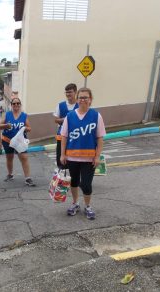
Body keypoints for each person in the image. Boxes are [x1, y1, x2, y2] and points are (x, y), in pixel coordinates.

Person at [60, 87, 106, 220]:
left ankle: (88, 206)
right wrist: (62, 155)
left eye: (85, 97)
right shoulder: (70, 116)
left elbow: (100, 138)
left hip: (89, 159)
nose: (83, 100)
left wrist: (97, 156)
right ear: (77, 99)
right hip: (72, 157)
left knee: (86, 184)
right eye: (80, 97)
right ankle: (75, 204)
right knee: (74, 182)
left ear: (90, 100)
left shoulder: (96, 116)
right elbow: (64, 136)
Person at [0, 97, 36, 186]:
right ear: (11, 105)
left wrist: (25, 129)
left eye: (18, 103)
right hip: (7, 140)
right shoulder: (7, 114)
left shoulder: (24, 115)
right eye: (14, 103)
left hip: (20, 142)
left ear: (20, 105)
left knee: (24, 157)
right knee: (9, 157)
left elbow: (29, 128)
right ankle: (10, 174)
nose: (16, 105)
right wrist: (5, 125)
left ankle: (28, 178)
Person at [53, 83, 79, 169]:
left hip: (77, 136)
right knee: (60, 158)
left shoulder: (80, 105)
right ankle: (61, 179)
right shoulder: (60, 105)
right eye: (66, 92)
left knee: (74, 159)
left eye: (70, 92)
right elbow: (56, 120)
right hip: (61, 136)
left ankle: (73, 178)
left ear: (75, 92)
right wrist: (66, 119)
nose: (68, 94)